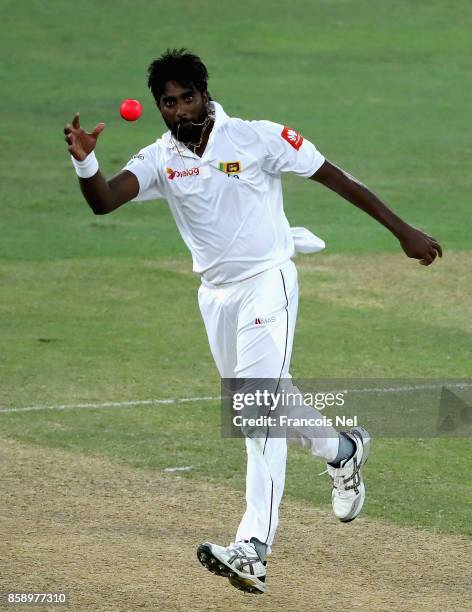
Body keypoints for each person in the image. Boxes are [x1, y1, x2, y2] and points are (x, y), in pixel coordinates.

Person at [64, 48, 442, 595]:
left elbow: (335, 177)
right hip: (216, 297)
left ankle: (254, 548)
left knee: (254, 410)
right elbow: (103, 201)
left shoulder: (256, 136)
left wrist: (402, 231)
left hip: (269, 281)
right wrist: (85, 162)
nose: (177, 110)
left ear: (204, 94)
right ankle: (343, 450)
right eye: (167, 103)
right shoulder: (159, 158)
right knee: (269, 399)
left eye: (186, 97)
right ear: (158, 108)